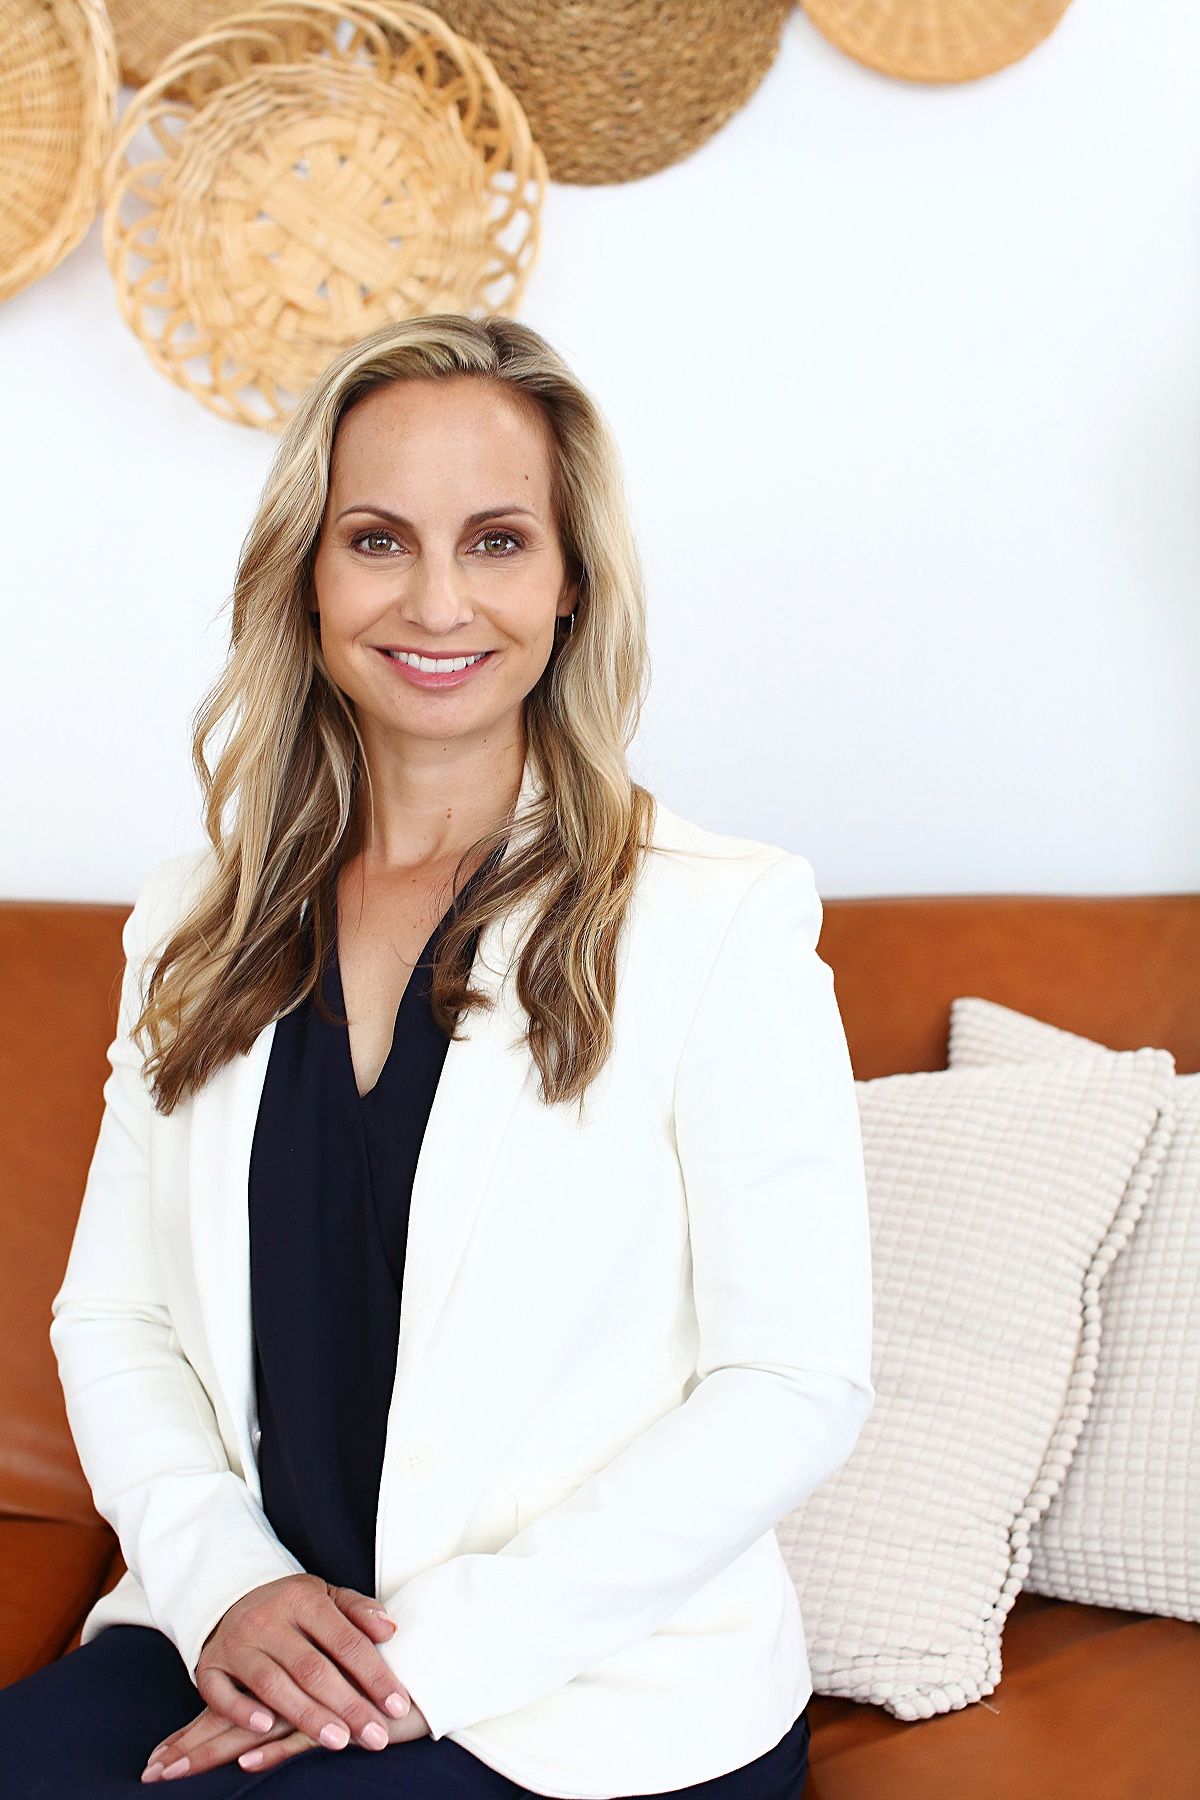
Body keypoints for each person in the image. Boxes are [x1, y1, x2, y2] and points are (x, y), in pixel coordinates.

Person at [0, 315, 874, 1797]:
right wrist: (228, 1587)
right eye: (378, 538)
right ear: (310, 573)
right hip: (241, 1628)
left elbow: (794, 1379)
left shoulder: (720, 916)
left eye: (496, 540)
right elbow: (114, 1318)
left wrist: (430, 1661)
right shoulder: (196, 922)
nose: (438, 598)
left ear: (568, 580)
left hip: (579, 1690)